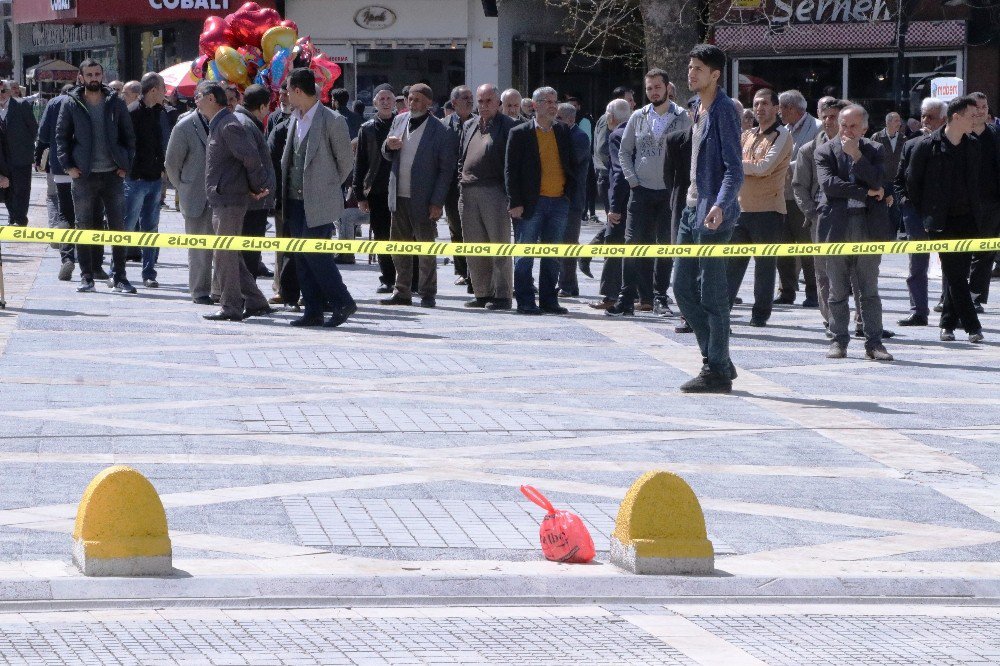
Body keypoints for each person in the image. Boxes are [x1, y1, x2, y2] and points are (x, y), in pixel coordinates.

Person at [673, 44, 744, 393]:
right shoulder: (694, 108)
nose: (690, 73)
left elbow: (735, 169)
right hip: (690, 210)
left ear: (715, 75)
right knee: (681, 288)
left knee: (712, 294)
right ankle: (719, 359)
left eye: (698, 68)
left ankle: (715, 369)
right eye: (690, 67)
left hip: (714, 213)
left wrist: (719, 204)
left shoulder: (725, 111)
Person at [605, 69, 692, 317]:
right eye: (649, 88)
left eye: (657, 87)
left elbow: (690, 151)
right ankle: (626, 297)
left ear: (667, 88)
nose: (653, 92)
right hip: (640, 191)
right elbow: (624, 152)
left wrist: (680, 184)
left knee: (664, 246)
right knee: (632, 244)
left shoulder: (683, 117)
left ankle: (660, 298)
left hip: (669, 193)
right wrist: (632, 180)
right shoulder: (637, 117)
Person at [278, 68, 357, 327]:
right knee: (301, 255)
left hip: (319, 201)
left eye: (289, 90)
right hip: (294, 201)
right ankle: (312, 309)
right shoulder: (294, 119)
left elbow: (345, 163)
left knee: (316, 254)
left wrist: (326, 185)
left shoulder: (333, 120)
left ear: (298, 91)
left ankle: (343, 300)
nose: (286, 95)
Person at [815, 104, 894, 361]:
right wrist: (864, 193)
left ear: (864, 128)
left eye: (852, 126)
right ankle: (838, 340)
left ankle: (874, 342)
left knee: (869, 289)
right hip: (836, 225)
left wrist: (857, 157)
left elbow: (878, 181)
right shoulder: (824, 150)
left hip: (867, 225)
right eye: (843, 125)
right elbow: (830, 186)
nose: (846, 131)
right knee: (837, 289)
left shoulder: (875, 149)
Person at [906, 95, 985, 343]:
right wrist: (926, 212)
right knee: (954, 271)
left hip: (968, 218)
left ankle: (947, 323)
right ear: (957, 117)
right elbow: (912, 183)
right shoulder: (927, 145)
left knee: (957, 273)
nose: (977, 118)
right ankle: (972, 326)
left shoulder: (974, 145)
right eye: (972, 115)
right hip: (940, 221)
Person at [56, 58, 137, 294]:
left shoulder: (116, 101)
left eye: (97, 74)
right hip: (84, 175)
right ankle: (86, 276)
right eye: (89, 74)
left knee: (118, 227)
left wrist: (126, 164)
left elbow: (129, 137)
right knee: (84, 226)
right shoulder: (71, 102)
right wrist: (68, 166)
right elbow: (61, 138)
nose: (94, 78)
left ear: (102, 75)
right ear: (81, 77)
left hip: (113, 174)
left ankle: (120, 276)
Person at [197, 80, 271, 321]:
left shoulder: (228, 124)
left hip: (230, 200)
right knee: (230, 255)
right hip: (223, 198)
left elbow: (250, 157)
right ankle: (256, 301)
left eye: (199, 96)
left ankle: (231, 307)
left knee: (224, 255)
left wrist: (257, 186)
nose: (196, 100)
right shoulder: (218, 123)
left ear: (210, 98)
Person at [379, 83, 458, 308]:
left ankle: (427, 292)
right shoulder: (399, 120)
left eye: (416, 100)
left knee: (425, 247)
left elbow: (446, 170)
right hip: (399, 194)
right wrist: (387, 146)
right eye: (409, 99)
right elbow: (387, 153)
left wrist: (437, 201)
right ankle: (401, 290)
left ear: (428, 103)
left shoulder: (439, 130)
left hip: (423, 199)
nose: (411, 104)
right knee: (399, 246)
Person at [506, 86, 578, 315]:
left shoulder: (564, 132)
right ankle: (525, 301)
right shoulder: (520, 133)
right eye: (547, 101)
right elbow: (511, 171)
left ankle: (549, 300)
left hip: (558, 202)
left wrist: (569, 196)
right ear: (535, 106)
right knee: (524, 255)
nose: (552, 105)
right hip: (530, 203)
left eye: (554, 101)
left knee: (552, 256)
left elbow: (573, 166)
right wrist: (515, 202)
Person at [726, 88, 792, 327]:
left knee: (765, 268)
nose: (760, 108)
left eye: (765, 103)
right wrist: (745, 166)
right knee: (732, 265)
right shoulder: (747, 135)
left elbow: (765, 167)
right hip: (740, 210)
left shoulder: (782, 135)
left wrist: (739, 166)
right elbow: (732, 164)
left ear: (776, 108)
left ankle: (760, 314)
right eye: (756, 104)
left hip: (769, 211)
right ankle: (723, 311)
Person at [454, 84, 518, 310]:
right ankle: (482, 292)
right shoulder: (469, 124)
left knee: (498, 245)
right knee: (474, 245)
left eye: (488, 101)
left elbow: (515, 165)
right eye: (480, 102)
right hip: (468, 191)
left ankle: (502, 295)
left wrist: (514, 198)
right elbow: (462, 157)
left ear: (498, 103)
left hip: (496, 192)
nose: (483, 106)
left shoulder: (509, 126)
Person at [793, 98, 850, 330]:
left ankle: (859, 320)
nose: (828, 121)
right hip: (821, 219)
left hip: (852, 216)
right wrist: (813, 213)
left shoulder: (857, 147)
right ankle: (832, 321)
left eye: (833, 117)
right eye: (825, 117)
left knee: (855, 270)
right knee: (823, 271)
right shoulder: (809, 150)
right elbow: (799, 186)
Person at [894, 97, 947, 326]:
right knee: (917, 265)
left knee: (949, 262)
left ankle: (949, 309)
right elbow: (898, 180)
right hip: (914, 212)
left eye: (931, 117)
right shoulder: (910, 144)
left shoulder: (953, 144)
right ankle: (918, 310)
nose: (925, 121)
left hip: (944, 213)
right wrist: (905, 203)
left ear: (944, 120)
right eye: (923, 116)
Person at [165, 89, 215, 305]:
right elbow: (171, 163)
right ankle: (200, 290)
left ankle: (220, 290)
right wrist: (183, 187)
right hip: (195, 195)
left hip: (220, 196)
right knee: (198, 249)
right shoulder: (185, 126)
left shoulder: (224, 122)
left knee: (222, 248)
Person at [582, 85, 636, 280]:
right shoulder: (609, 122)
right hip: (608, 178)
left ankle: (590, 253)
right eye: (630, 100)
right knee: (616, 222)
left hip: (616, 178)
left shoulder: (629, 124)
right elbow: (603, 149)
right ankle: (607, 271)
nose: (633, 104)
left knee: (620, 223)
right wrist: (615, 168)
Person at [775, 89, 819, 307]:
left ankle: (813, 292)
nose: (778, 112)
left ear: (791, 109)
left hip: (804, 199)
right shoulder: (783, 130)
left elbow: (814, 161)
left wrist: (780, 166)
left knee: (807, 248)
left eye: (781, 108)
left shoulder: (817, 128)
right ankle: (786, 290)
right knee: (783, 247)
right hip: (781, 197)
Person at [123, 72, 167, 289]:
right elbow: (123, 143)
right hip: (135, 180)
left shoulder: (159, 112)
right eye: (163, 89)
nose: (166, 93)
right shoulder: (131, 112)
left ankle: (149, 272)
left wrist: (162, 172)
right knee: (127, 226)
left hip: (154, 180)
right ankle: (117, 271)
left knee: (151, 228)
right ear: (153, 91)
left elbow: (160, 144)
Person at [354, 85, 397, 294]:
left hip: (401, 190)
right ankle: (388, 277)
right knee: (381, 237)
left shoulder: (403, 124)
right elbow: (360, 162)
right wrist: (359, 194)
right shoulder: (367, 128)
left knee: (405, 237)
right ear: (375, 102)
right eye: (382, 99)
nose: (386, 102)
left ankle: (411, 279)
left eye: (389, 98)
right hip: (377, 191)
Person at [592, 99, 634, 310]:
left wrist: (614, 207)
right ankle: (642, 297)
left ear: (610, 117)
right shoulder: (638, 131)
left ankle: (610, 296)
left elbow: (619, 173)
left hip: (622, 200)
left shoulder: (617, 135)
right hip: (640, 199)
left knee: (613, 243)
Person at [234, 84, 277, 280]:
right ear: (261, 107)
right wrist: (258, 187)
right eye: (268, 107)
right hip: (252, 201)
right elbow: (250, 161)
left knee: (249, 255)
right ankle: (248, 301)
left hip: (252, 200)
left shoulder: (245, 122)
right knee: (248, 256)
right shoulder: (246, 124)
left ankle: (249, 299)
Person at [34, 84, 77, 280]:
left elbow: (43, 136)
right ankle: (91, 262)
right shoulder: (83, 100)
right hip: (85, 167)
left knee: (64, 211)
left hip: (60, 166)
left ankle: (67, 256)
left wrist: (37, 158)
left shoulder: (53, 103)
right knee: (88, 213)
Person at [555, 102, 593, 298]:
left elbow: (570, 162)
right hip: (558, 198)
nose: (556, 121)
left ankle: (568, 285)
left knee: (569, 242)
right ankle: (565, 283)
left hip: (572, 200)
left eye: (559, 118)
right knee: (558, 243)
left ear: (571, 119)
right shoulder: (562, 134)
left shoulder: (579, 137)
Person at [969, 92, 1000, 311]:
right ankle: (951, 297)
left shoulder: (996, 135)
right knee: (956, 254)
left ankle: (976, 297)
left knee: (985, 252)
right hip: (962, 204)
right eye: (977, 107)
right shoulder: (958, 136)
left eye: (985, 106)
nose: (981, 110)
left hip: (991, 204)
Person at [443, 85, 475, 289]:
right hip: (451, 187)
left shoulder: (479, 123)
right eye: (466, 98)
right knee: (456, 229)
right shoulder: (442, 126)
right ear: (454, 103)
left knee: (474, 230)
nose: (470, 101)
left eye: (471, 97)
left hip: (474, 185)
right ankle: (462, 271)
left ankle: (476, 271)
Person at [1, 79, 38, 227]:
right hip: (3, 158)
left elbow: (33, 128)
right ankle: (12, 215)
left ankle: (21, 218)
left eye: (4, 91)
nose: (1, 94)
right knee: (7, 188)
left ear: (10, 91)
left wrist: (26, 145)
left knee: (21, 188)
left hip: (21, 156)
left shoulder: (21, 105)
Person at [871, 111, 906, 237]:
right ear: (888, 122)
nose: (899, 123)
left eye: (899, 120)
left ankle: (891, 237)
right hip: (882, 180)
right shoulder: (877, 137)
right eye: (896, 121)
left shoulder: (903, 138)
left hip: (896, 180)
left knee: (896, 210)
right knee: (882, 208)